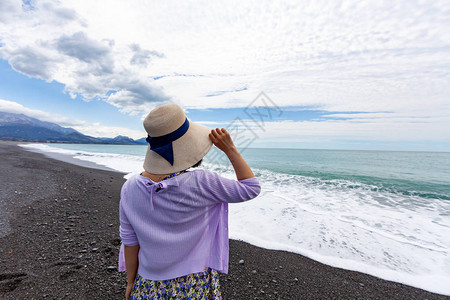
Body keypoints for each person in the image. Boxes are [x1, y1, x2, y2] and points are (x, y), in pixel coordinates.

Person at [119, 104, 260, 299]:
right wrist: (230, 149)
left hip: (147, 283)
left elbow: (130, 241)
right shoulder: (201, 182)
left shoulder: (130, 187)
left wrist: (131, 282)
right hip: (194, 284)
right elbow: (251, 188)